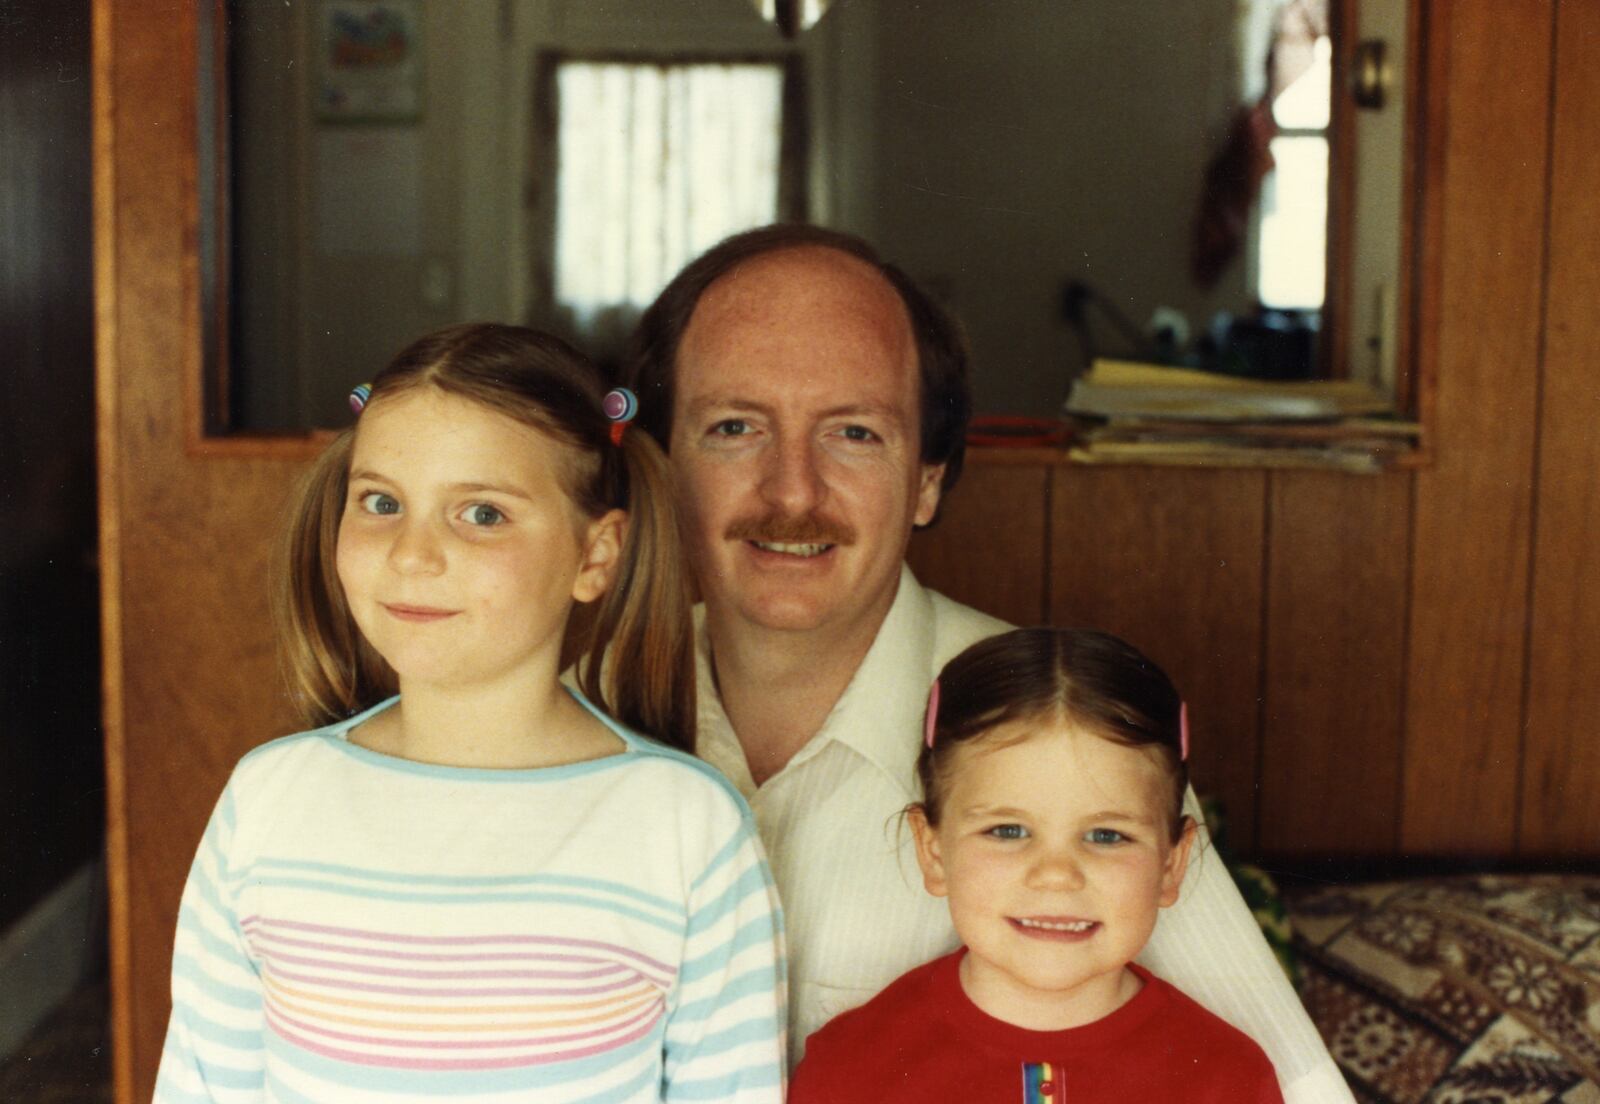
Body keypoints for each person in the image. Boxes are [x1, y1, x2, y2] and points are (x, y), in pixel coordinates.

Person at [622, 224, 1353, 1101]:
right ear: (663, 468)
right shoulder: (568, 717)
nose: (792, 492)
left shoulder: (1066, 735)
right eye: (735, 427)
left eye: (853, 433)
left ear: (929, 478)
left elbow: (1298, 1086)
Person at [154, 324, 785, 1103]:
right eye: (382, 503)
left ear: (596, 557)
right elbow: (204, 1086)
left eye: (481, 514)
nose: (413, 555)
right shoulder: (267, 804)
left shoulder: (688, 830)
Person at [788, 627, 1284, 1102]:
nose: (1056, 875)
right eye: (1008, 831)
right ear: (933, 852)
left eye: (1107, 835)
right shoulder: (851, 1068)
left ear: (1172, 865)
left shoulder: (1227, 1078)